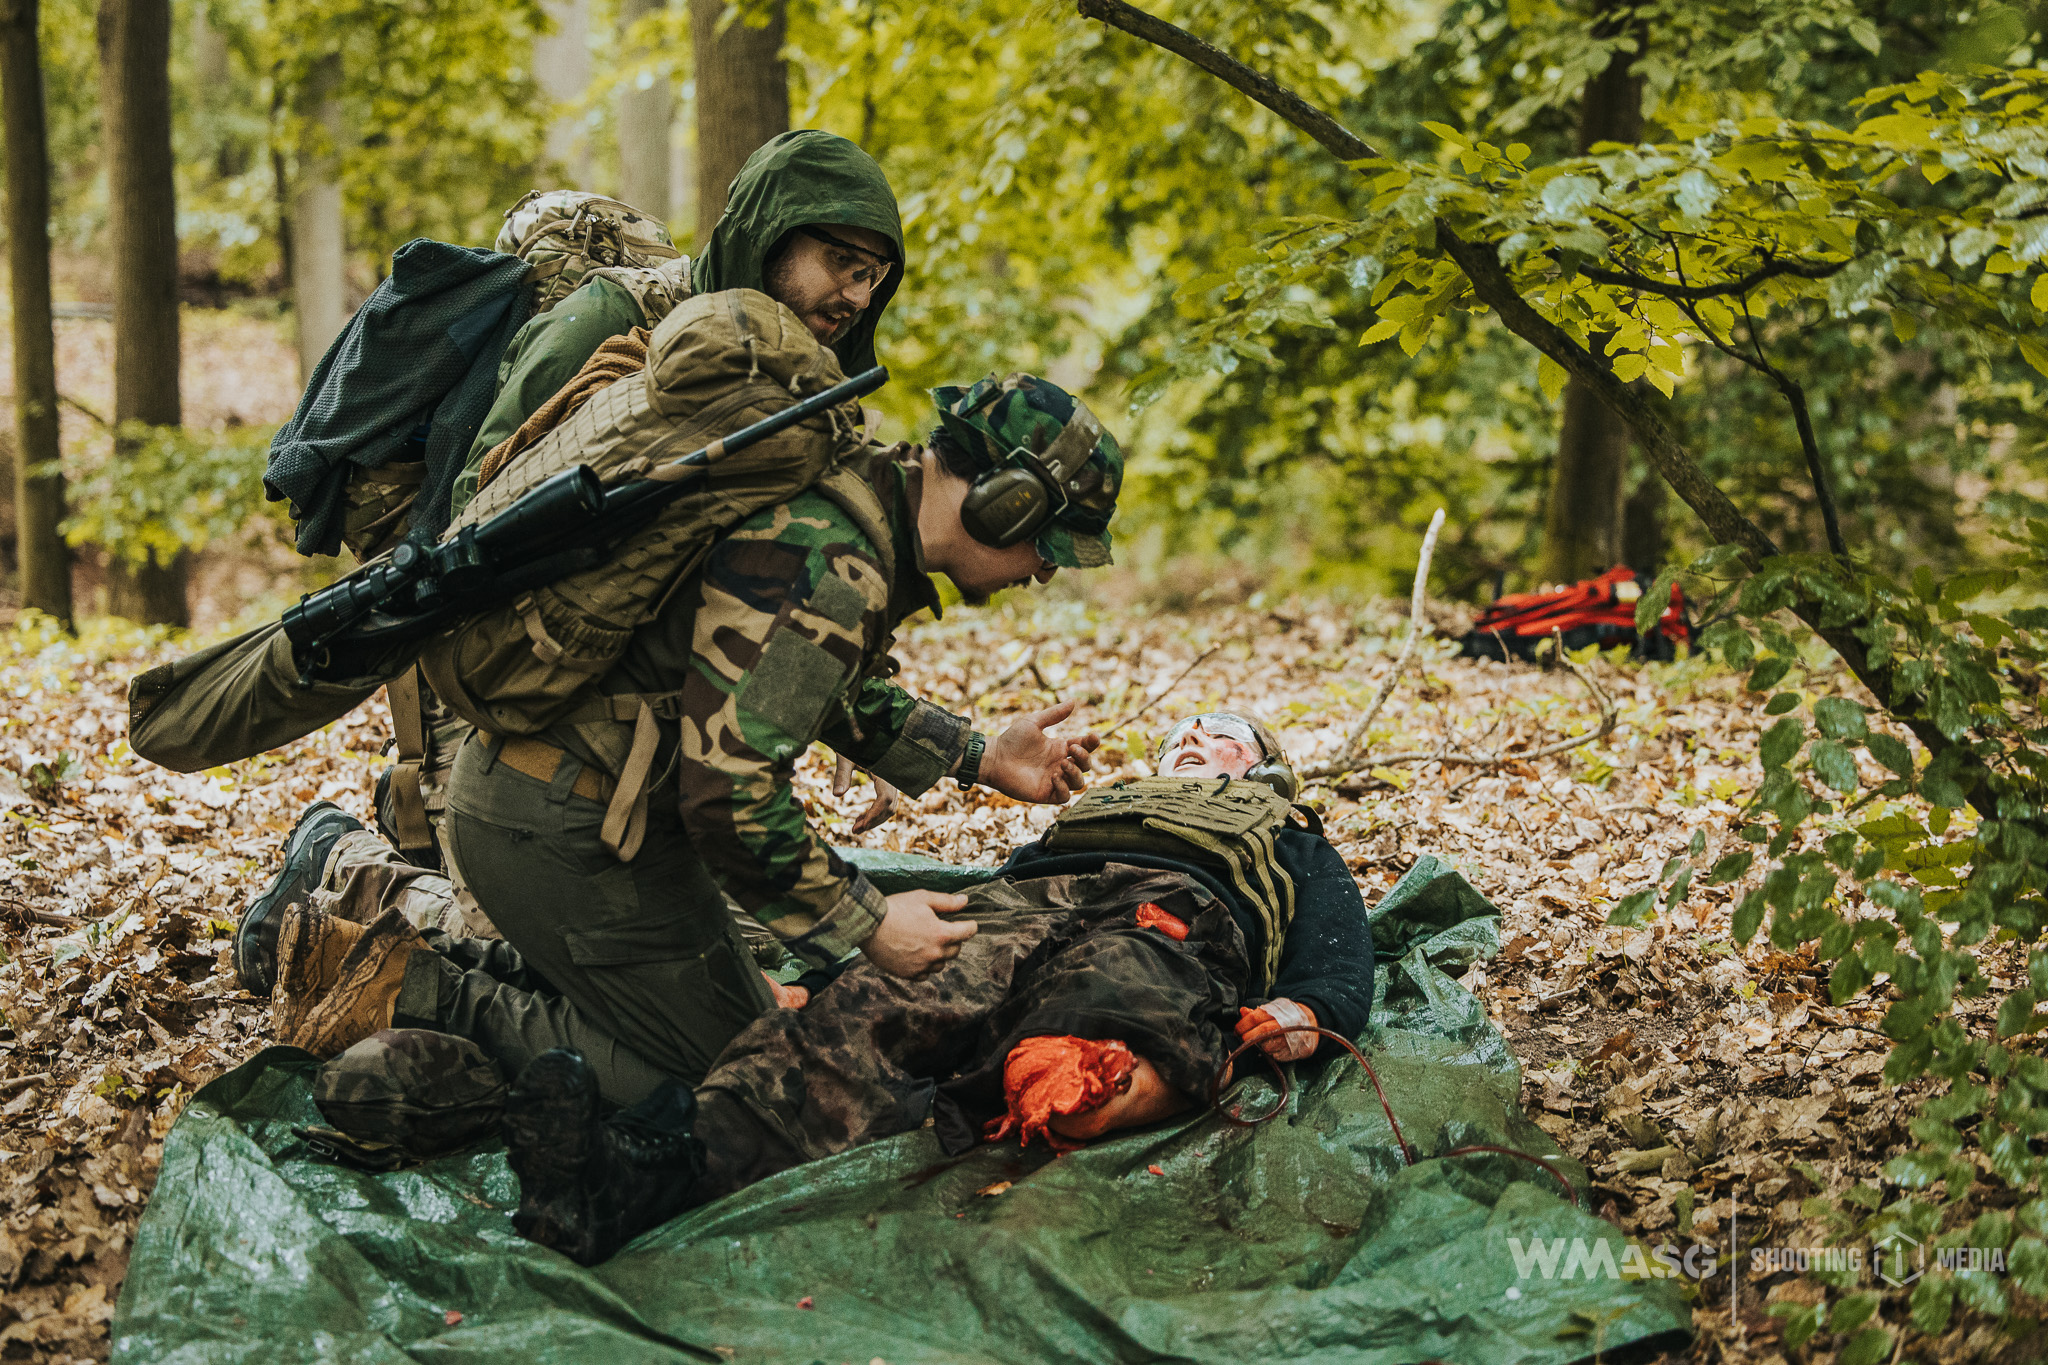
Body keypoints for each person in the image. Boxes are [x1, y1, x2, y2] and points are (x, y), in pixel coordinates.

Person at [251, 372, 1128, 1110]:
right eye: (1046, 545)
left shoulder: (856, 501)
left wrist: (979, 753)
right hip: (561, 823)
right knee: (741, 1077)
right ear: (1004, 502)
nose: (1044, 571)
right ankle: (410, 992)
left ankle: (398, 933)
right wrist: (869, 922)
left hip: (574, 802)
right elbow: (730, 793)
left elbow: (813, 687)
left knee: (748, 1015)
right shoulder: (836, 558)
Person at [298, 712, 1375, 1266]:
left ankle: (1047, 1093)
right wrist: (845, 975)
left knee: (1101, 1025)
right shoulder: (1095, 810)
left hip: (1170, 920)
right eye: (1189, 733)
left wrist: (1310, 1015)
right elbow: (996, 905)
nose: (1196, 741)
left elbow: (1336, 952)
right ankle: (626, 1180)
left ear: (1261, 770)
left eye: (1223, 737)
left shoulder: (1283, 831)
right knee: (875, 1007)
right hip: (1025, 905)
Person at [449, 130, 904, 519]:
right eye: (842, 262)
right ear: (769, 238)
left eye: (872, 275)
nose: (860, 296)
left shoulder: (797, 380)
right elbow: (477, 497)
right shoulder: (610, 317)